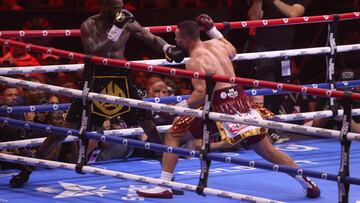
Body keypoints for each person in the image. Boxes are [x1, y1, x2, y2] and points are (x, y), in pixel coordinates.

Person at [137, 15, 320, 199]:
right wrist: (212, 29)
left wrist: (178, 107)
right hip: (239, 97)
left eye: (177, 37)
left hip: (221, 103)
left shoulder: (194, 60)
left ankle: (165, 185)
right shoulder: (216, 44)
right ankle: (306, 182)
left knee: (173, 134)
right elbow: (232, 51)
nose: (175, 41)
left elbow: (201, 93)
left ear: (185, 39)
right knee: (267, 150)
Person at [9, 0, 185, 188]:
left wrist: (167, 48)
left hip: (120, 78)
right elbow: (95, 54)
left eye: (121, 6)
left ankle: (167, 178)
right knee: (63, 130)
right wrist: (116, 29)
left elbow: (147, 36)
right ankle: (27, 171)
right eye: (115, 8)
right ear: (105, 6)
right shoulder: (89, 25)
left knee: (149, 126)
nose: (120, 11)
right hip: (95, 80)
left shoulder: (126, 19)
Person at [246, 0, 307, 115]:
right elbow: (254, 19)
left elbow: (294, 13)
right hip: (264, 48)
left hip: (285, 51)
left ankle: (272, 123)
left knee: (283, 86)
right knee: (267, 85)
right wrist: (258, 2)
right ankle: (265, 124)